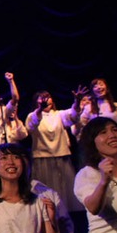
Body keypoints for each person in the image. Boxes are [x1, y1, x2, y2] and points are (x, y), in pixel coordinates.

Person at [27, 89, 81, 221]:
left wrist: (77, 101)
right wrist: (40, 109)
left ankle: (66, 221)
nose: (46, 100)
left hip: (61, 157)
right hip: (42, 158)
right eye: (42, 98)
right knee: (46, 190)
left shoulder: (59, 114)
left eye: (48, 97)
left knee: (64, 189)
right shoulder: (32, 115)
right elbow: (31, 125)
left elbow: (73, 116)